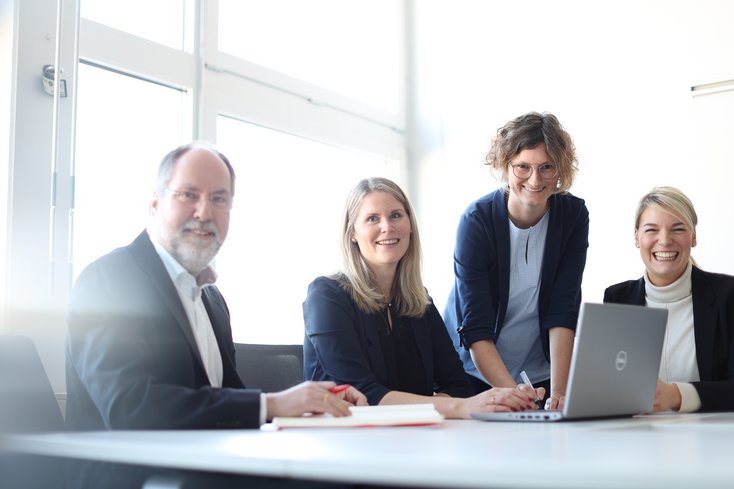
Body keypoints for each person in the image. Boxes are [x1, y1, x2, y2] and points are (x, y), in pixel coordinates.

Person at [66, 142, 366, 488]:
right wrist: (272, 404)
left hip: (208, 466)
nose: (204, 212)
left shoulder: (211, 298)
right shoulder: (108, 279)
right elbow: (129, 408)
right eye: (188, 195)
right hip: (137, 477)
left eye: (219, 199)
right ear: (155, 203)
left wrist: (312, 404)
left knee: (349, 473)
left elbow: (227, 399)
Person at [303, 177, 541, 419]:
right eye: (372, 219)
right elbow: (364, 396)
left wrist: (473, 402)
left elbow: (458, 386)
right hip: (342, 437)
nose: (387, 227)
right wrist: (458, 407)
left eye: (396, 215)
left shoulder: (418, 301)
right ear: (352, 233)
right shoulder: (326, 296)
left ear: (410, 226)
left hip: (410, 435)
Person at [443, 111, 589, 410]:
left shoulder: (572, 216)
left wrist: (560, 393)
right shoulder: (476, 221)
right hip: (475, 374)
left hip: (540, 374)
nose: (535, 179)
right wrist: (513, 395)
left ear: (560, 170)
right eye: (523, 166)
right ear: (504, 166)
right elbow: (476, 327)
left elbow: (563, 309)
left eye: (547, 167)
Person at [604, 186, 734, 412]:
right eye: (651, 230)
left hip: (712, 431)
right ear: (637, 238)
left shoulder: (728, 295)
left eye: (678, 229)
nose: (664, 240)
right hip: (638, 431)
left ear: (693, 237)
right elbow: (608, 383)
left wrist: (676, 395)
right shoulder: (617, 298)